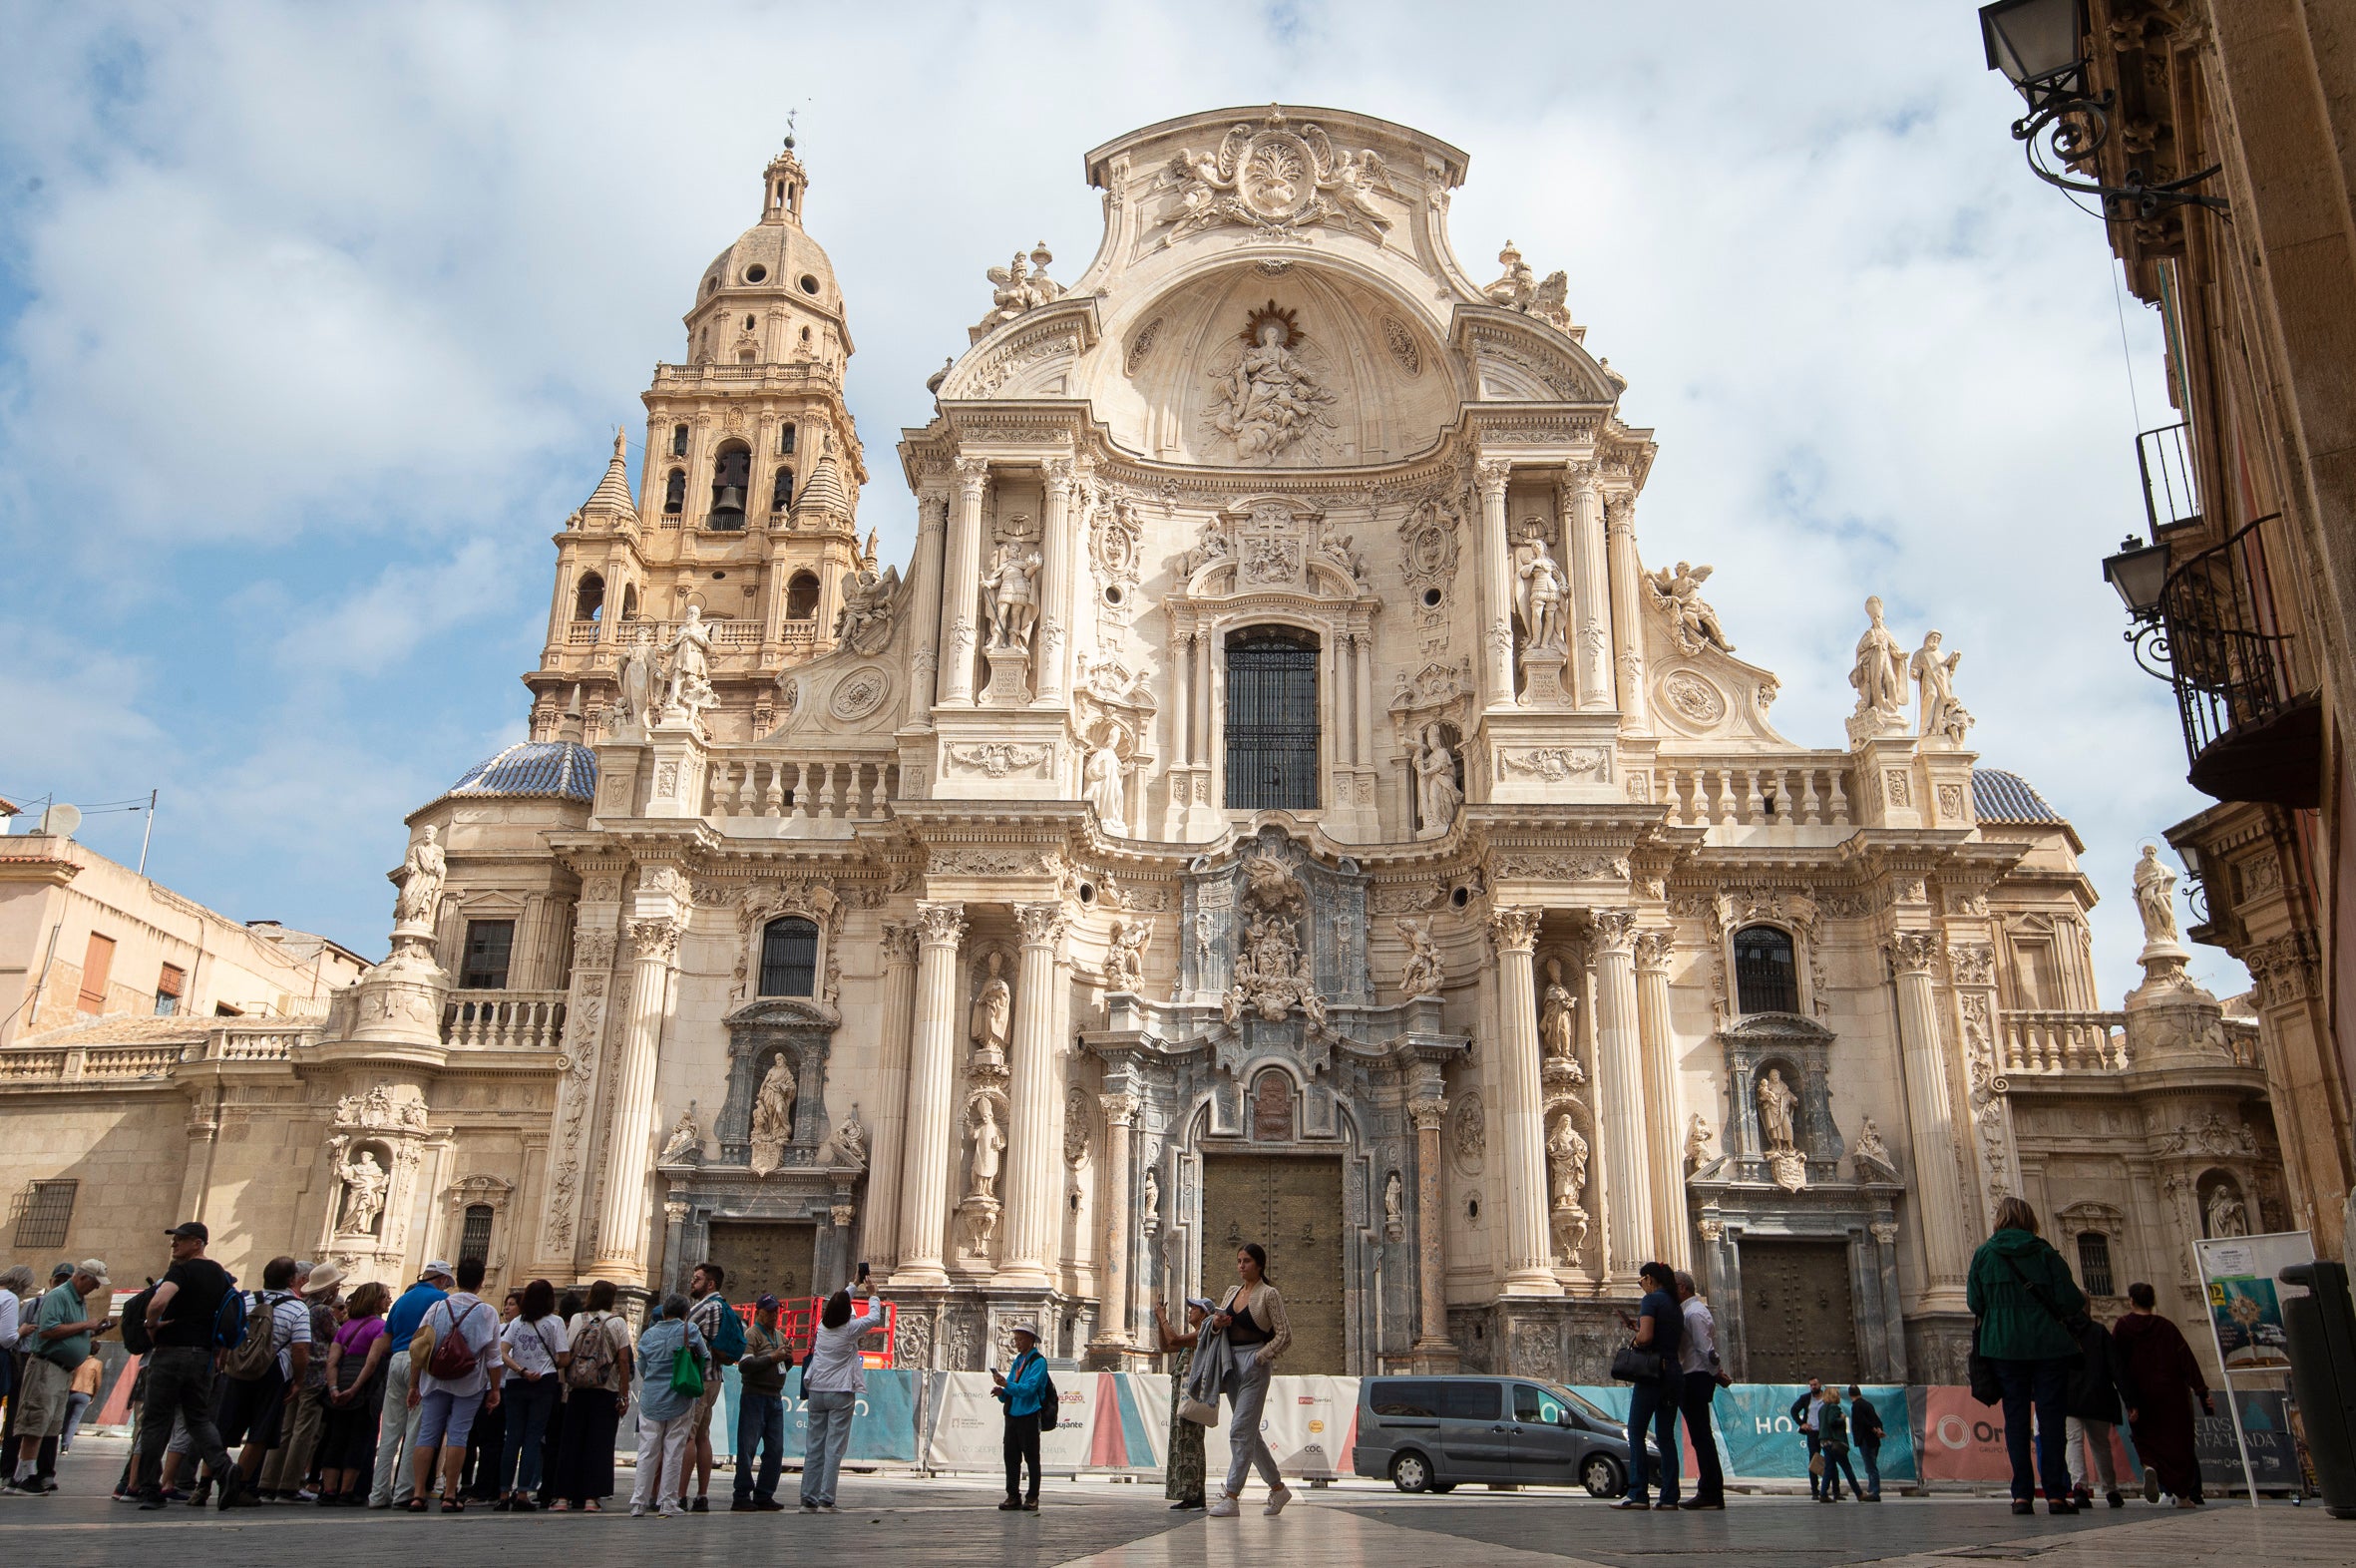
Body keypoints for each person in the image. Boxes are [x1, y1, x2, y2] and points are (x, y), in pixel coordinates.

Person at [1967, 1195, 2088, 1516]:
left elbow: (1975, 1303)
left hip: (2003, 1347)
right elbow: (2072, 1300)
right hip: (2048, 1346)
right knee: (2051, 1422)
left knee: (2015, 1422)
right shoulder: (2045, 1252)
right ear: (2030, 1219)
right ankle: (2056, 1495)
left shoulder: (1984, 1254)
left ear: (2000, 1220)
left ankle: (2021, 1495)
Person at [135, 1222, 252, 1510]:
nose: (174, 1245)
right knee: (198, 1419)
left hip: (171, 1353)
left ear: (198, 1243)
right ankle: (225, 1469)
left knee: (155, 1421)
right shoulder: (220, 1275)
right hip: (202, 1356)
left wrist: (151, 1324)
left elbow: (158, 1301)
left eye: (181, 1240)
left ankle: (149, 1488)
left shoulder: (181, 1271)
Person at [204, 1254, 310, 1503]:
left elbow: (230, 1334)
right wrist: (298, 1381)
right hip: (273, 1374)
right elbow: (301, 1349)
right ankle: (238, 1487)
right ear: (292, 1279)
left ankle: (204, 1485)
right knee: (260, 1433)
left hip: (239, 1370)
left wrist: (226, 1362)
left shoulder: (247, 1300)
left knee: (222, 1430)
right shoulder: (298, 1308)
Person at [407, 1254, 502, 1513]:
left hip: (435, 1379)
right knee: (458, 1435)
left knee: (428, 1433)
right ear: (481, 1282)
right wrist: (494, 1390)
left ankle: (418, 1494)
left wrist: (414, 1385)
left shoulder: (437, 1307)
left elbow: (419, 1347)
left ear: (457, 1280)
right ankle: (450, 1494)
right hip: (469, 1383)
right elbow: (494, 1358)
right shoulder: (487, 1312)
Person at [1204, 1243, 1293, 1518]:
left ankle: (1231, 1496)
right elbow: (1216, 1323)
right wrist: (1217, 1323)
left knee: (1239, 1430)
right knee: (1250, 1434)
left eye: (1247, 1261)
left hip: (1254, 1366)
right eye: (1239, 1261)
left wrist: (1262, 1356)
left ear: (1259, 1265)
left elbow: (1284, 1334)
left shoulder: (1269, 1294)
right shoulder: (1232, 1291)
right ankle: (1278, 1489)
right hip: (1231, 1364)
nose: (1241, 1265)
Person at [9, 1259, 108, 1494]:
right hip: (46, 1366)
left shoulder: (78, 1299)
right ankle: (24, 1476)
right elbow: (47, 1330)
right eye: (95, 1284)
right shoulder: (59, 1296)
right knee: (36, 1419)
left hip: (62, 1369)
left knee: (51, 1424)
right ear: (83, 1277)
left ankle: (33, 1475)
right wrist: (85, 1325)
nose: (96, 1289)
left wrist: (92, 1330)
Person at [2110, 1281, 2212, 1507]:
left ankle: (2149, 1467)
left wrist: (2128, 1399)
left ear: (2131, 1301)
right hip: (2172, 1394)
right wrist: (2202, 1391)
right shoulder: (2167, 1327)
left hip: (2141, 1395)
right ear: (2153, 1301)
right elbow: (2187, 1360)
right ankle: (2183, 1496)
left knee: (2145, 1438)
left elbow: (2116, 1364)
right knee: (2178, 1443)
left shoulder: (2123, 1327)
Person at [369, 1260, 452, 1508]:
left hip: (396, 1360)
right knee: (415, 1430)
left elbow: (387, 1336)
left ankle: (377, 1494)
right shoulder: (439, 1301)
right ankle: (404, 1492)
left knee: (391, 1431)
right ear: (441, 1279)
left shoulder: (402, 1300)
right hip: (421, 1363)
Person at [801, 1280, 890, 1511]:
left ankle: (807, 1499)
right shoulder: (849, 1329)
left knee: (814, 1446)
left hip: (817, 1390)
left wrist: (852, 1284)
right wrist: (872, 1294)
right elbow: (873, 1318)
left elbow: (836, 1305)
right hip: (839, 1391)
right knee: (834, 1448)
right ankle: (826, 1499)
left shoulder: (822, 1326)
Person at [259, 1261, 341, 1500]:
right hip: (315, 1375)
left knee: (286, 1429)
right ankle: (290, 1483)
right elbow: (338, 1337)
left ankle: (268, 1480)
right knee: (304, 1431)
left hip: (295, 1373)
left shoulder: (301, 1305)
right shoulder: (323, 1311)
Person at [552, 1280, 631, 1512]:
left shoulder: (578, 1319)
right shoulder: (618, 1322)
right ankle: (590, 1498)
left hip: (577, 1390)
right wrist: (624, 1395)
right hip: (606, 1390)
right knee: (600, 1444)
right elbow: (624, 1361)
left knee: (571, 1442)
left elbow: (566, 1352)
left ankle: (563, 1498)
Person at [630, 1293, 709, 1518]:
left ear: (664, 1313)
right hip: (680, 1396)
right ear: (686, 1313)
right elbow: (704, 1357)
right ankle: (667, 1501)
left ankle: (638, 1502)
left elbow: (643, 1367)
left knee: (647, 1450)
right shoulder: (690, 1330)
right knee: (674, 1449)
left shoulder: (648, 1335)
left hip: (651, 1398)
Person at [496, 1279, 569, 1511]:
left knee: (512, 1438)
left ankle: (504, 1492)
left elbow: (503, 1352)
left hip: (516, 1383)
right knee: (532, 1438)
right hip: (543, 1384)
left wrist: (521, 1370)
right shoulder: (555, 1322)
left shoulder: (517, 1322)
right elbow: (564, 1357)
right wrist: (548, 1365)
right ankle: (523, 1494)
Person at [1616, 1261, 1684, 1510]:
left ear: (1649, 1279)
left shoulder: (1651, 1301)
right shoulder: (1675, 1304)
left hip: (1653, 1375)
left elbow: (1646, 1337)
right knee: (1666, 1437)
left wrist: (1634, 1341)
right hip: (1673, 1373)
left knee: (1635, 1431)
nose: (1641, 1286)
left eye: (1640, 1281)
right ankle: (1669, 1497)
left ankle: (1638, 1493)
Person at [317, 1281, 391, 1506]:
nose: (389, 1300)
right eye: (386, 1296)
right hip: (362, 1388)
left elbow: (332, 1361)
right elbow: (372, 1362)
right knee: (359, 1439)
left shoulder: (346, 1327)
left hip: (339, 1383)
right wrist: (355, 1389)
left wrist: (334, 1389)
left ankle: (329, 1490)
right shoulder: (380, 1327)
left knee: (336, 1438)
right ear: (376, 1301)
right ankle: (347, 1492)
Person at [1672, 1271, 1727, 1510]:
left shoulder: (1694, 1313)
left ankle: (1711, 1493)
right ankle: (1710, 1491)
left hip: (1695, 1377)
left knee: (1702, 1437)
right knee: (1701, 1437)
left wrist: (1716, 1373)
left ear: (1682, 1287)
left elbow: (1707, 1350)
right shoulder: (1691, 1312)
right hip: (1696, 1375)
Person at [732, 1294, 790, 1512]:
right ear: (760, 1312)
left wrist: (786, 1358)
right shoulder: (752, 1334)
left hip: (774, 1397)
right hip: (754, 1395)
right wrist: (772, 1358)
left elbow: (783, 1366)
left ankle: (765, 1493)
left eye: (777, 1311)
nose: (775, 1315)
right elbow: (744, 1365)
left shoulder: (780, 1336)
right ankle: (741, 1494)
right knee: (747, 1447)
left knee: (775, 1448)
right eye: (770, 1311)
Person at [461, 1291, 520, 1500]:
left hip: (501, 1387)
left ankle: (488, 1486)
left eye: (512, 1304)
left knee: (491, 1442)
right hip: (485, 1387)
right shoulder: (501, 1328)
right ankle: (476, 1483)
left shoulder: (517, 1329)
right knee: (480, 1438)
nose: (506, 1308)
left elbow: (503, 1358)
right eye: (506, 1304)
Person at [2065, 1309, 2127, 1509]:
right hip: (2097, 1395)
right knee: (2101, 1444)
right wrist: (2129, 1398)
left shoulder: (2061, 1331)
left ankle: (2079, 1487)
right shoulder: (2099, 1331)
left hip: (2069, 1397)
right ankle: (2110, 1490)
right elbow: (2116, 1366)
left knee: (2073, 1441)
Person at [1152, 1298, 1208, 1510]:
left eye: (1194, 1308)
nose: (1190, 1311)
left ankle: (1195, 1495)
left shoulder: (1203, 1333)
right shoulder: (1190, 1338)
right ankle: (1189, 1494)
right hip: (1182, 1396)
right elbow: (1167, 1346)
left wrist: (1163, 1318)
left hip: (1191, 1396)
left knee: (1190, 1441)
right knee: (1182, 1441)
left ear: (1203, 1314)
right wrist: (1160, 1322)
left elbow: (1173, 1339)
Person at [683, 1261, 730, 1512]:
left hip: (698, 1377)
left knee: (688, 1435)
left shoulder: (705, 1307)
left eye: (698, 1278)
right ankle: (701, 1494)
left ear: (710, 1283)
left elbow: (685, 1335)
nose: (693, 1281)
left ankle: (680, 1494)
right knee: (703, 1436)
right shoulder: (722, 1306)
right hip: (714, 1377)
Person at [991, 1321, 1051, 1512]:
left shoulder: (1038, 1362)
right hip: (1013, 1415)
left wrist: (1007, 1386)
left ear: (1031, 1340)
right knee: (1011, 1457)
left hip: (1030, 1415)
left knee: (1032, 1458)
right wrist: (1002, 1391)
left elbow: (1029, 1389)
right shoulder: (1018, 1361)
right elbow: (1011, 1389)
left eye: (1020, 1339)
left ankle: (1032, 1497)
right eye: (1015, 1339)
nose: (1016, 1342)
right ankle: (1013, 1495)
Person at [1815, 1385, 1863, 1502]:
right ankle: (1859, 1493)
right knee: (1847, 1468)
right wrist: (1842, 1418)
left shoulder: (1821, 1409)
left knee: (1829, 1468)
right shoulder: (1834, 1408)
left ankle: (1823, 1494)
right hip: (1835, 1442)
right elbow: (1832, 1421)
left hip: (1824, 1441)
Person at [1848, 1386, 1885, 1501]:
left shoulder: (1856, 1406)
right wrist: (1878, 1429)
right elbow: (1876, 1420)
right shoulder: (1868, 1404)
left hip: (1865, 1439)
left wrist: (1873, 1429)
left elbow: (1861, 1421)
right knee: (1872, 1464)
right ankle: (1871, 1489)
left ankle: (1875, 1492)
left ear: (1850, 1395)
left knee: (1871, 1467)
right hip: (1874, 1440)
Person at [1790, 1378, 1824, 1499]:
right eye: (1811, 1385)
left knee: (1831, 1459)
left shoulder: (1826, 1397)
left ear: (1820, 1384)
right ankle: (1815, 1490)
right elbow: (1794, 1410)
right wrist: (1801, 1424)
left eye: (1815, 1384)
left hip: (1825, 1433)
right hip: (1812, 1433)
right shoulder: (1805, 1398)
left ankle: (1834, 1489)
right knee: (1813, 1460)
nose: (1813, 1387)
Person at [61, 1351, 101, 1452]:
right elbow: (98, 1382)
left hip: (72, 1391)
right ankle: (66, 1446)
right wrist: (94, 1395)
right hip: (85, 1393)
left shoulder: (78, 1360)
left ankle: (62, 1442)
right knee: (74, 1420)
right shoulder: (97, 1363)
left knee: (66, 1418)